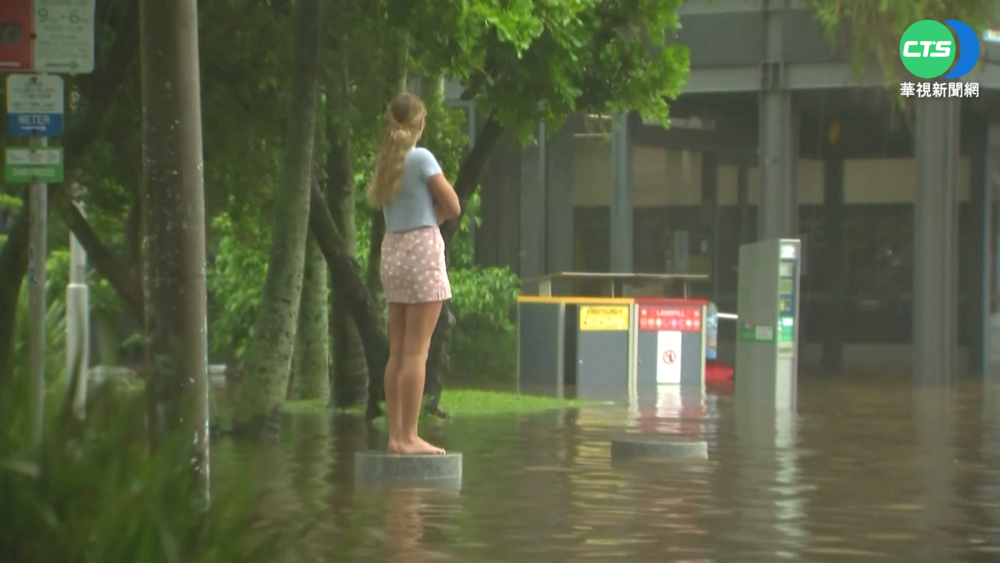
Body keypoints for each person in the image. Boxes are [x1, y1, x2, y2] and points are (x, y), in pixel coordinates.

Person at [366, 92, 461, 455]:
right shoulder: (421, 157)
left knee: (398, 351)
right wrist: (432, 220)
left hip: (393, 251)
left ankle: (395, 435)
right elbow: (452, 204)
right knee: (417, 353)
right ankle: (409, 436)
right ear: (420, 124)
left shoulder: (387, 160)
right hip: (421, 250)